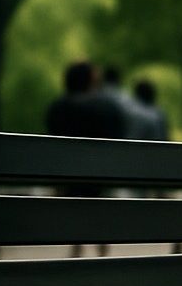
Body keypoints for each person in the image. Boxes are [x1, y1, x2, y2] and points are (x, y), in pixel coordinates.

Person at [46, 60, 126, 257]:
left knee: (75, 191)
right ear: (91, 80)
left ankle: (76, 245)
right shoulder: (108, 108)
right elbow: (119, 140)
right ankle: (103, 250)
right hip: (100, 179)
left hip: (69, 180)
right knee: (99, 197)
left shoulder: (57, 109)